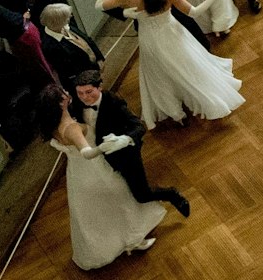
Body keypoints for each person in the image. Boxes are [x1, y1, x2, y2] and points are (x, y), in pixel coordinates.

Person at [97, 0, 245, 125]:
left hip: (150, 41)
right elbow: (194, 12)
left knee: (160, 76)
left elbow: (99, 5)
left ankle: (176, 114)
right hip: (174, 35)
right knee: (188, 68)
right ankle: (204, 100)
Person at [38, 86, 168, 269]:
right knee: (122, 200)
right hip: (95, 170)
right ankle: (134, 240)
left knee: (98, 213)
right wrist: (107, 146)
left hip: (76, 174)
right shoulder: (72, 128)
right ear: (61, 103)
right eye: (64, 93)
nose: (68, 93)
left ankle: (115, 242)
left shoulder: (54, 127)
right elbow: (87, 153)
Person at [67, 69, 190, 216]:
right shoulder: (78, 104)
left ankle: (172, 194)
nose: (84, 97)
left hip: (125, 155)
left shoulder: (114, 103)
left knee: (142, 195)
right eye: (80, 93)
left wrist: (125, 140)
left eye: (88, 92)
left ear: (99, 87)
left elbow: (139, 126)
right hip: (99, 154)